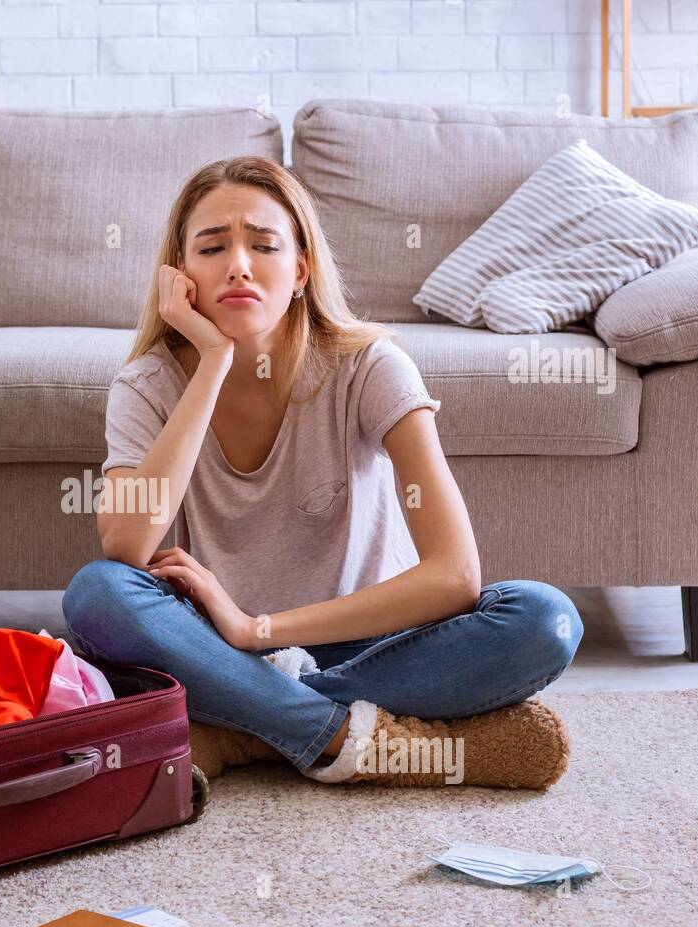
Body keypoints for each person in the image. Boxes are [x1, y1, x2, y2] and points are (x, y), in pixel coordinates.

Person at [61, 155, 582, 781]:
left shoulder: (370, 366)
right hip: (220, 651)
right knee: (97, 594)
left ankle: (247, 730)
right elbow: (125, 542)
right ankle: (339, 735)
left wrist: (259, 629)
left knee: (545, 619)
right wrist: (213, 361)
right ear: (180, 275)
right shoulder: (148, 384)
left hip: (372, 644)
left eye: (263, 245)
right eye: (211, 247)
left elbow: (455, 577)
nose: (238, 265)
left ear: (301, 269)